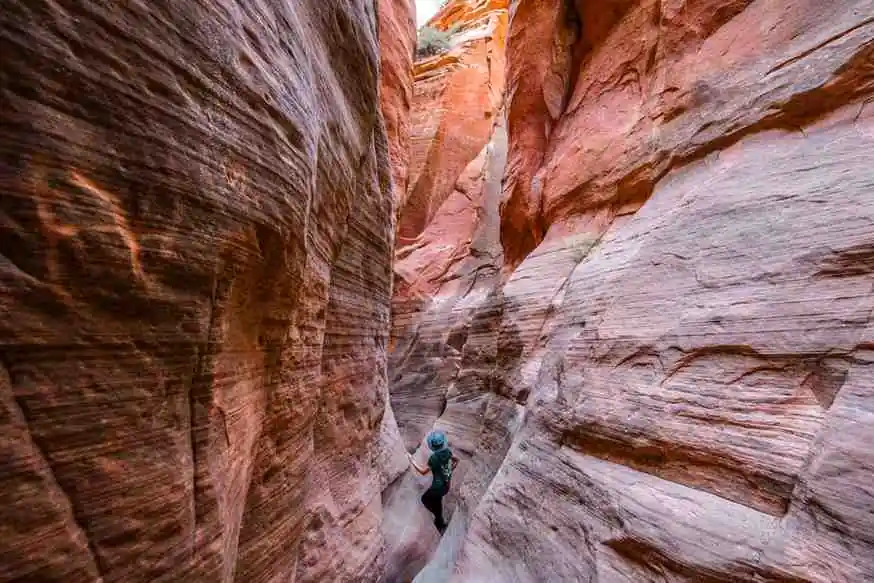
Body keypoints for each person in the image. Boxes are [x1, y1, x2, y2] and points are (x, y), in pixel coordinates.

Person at [408, 430, 459, 534]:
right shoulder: (448, 452)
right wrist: (450, 470)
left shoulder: (434, 458)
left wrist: (412, 461)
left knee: (424, 499)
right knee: (438, 501)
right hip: (446, 486)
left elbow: (423, 471)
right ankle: (440, 522)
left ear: (433, 446)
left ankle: (437, 517)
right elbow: (457, 460)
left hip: (437, 487)